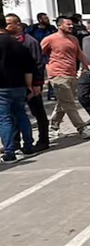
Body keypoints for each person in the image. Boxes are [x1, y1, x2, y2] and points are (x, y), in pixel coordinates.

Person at [41, 15, 90, 141]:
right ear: (59, 25)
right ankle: (82, 128)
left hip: (71, 75)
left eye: (71, 24)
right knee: (69, 104)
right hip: (57, 76)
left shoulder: (73, 39)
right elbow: (38, 54)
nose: (71, 26)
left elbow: (80, 54)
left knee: (63, 103)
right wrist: (46, 70)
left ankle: (53, 127)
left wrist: (89, 68)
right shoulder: (50, 39)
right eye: (68, 24)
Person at [7, 13, 49, 152]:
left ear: (17, 24)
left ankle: (43, 139)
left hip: (32, 83)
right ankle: (15, 142)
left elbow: (38, 63)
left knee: (37, 111)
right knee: (14, 113)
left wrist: (37, 84)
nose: (6, 27)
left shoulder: (30, 41)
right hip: (15, 83)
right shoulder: (9, 41)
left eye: (8, 24)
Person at [0, 20, 36, 162]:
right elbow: (28, 68)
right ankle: (28, 146)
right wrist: (29, 86)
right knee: (21, 115)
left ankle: (10, 152)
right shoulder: (19, 44)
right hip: (19, 85)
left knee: (4, 119)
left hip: (1, 87)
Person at [26, 12, 57, 101]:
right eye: (45, 18)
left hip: (49, 55)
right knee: (38, 75)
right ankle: (37, 93)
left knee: (51, 75)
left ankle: (52, 93)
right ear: (40, 19)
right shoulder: (32, 29)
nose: (48, 20)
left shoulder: (51, 29)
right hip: (36, 55)